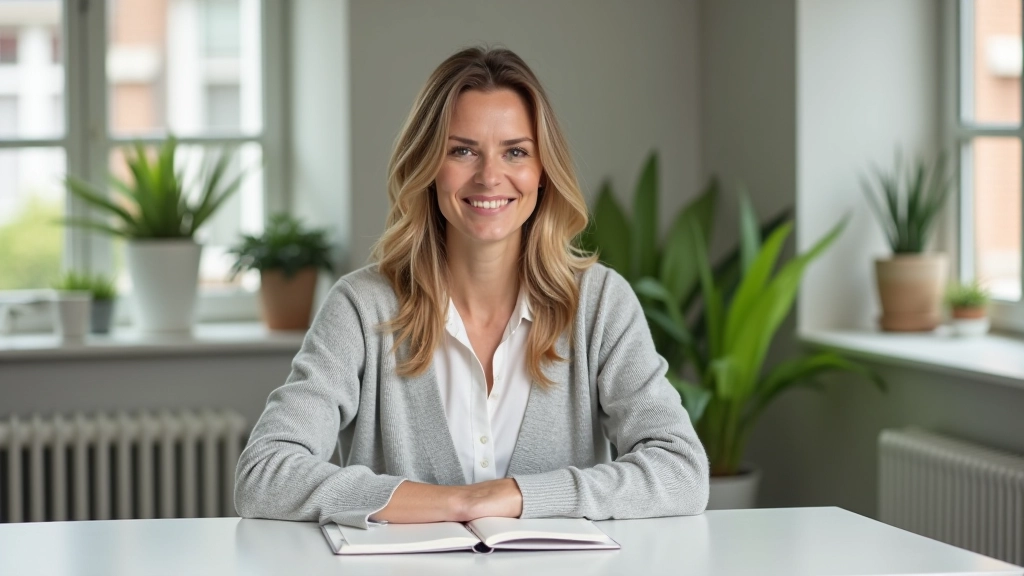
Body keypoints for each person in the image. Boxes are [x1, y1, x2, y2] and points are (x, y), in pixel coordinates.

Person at [234, 46, 709, 529]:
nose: (489, 177)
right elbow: (264, 473)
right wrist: (460, 504)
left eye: (516, 152)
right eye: (462, 150)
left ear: (542, 172)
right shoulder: (361, 307)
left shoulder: (600, 304)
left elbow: (682, 471)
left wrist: (513, 496)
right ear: (428, 167)